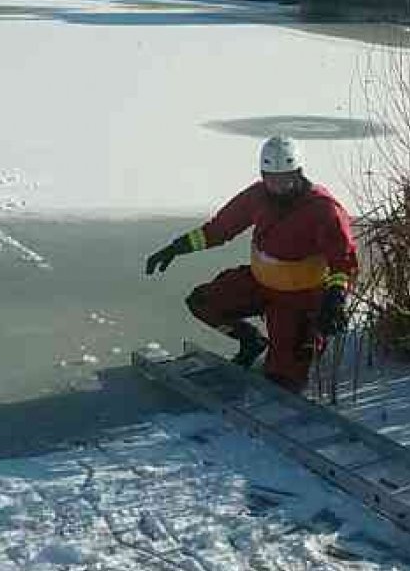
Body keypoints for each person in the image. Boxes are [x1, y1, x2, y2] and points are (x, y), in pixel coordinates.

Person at [145, 136, 358, 394]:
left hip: (299, 301)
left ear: (299, 173)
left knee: (283, 381)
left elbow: (343, 260)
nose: (278, 187)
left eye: (285, 179)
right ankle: (251, 341)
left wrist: (334, 299)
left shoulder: (323, 210)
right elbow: (219, 228)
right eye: (271, 179)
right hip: (259, 284)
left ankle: (296, 349)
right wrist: (176, 248)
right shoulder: (258, 196)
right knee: (203, 302)